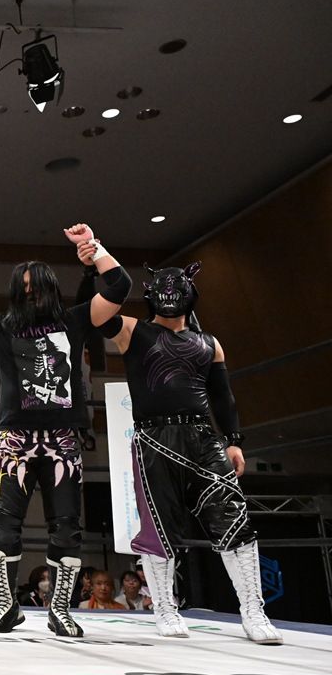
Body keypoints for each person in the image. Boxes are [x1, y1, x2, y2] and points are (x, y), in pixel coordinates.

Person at [0, 224, 131, 637]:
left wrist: (94, 249)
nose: (31, 294)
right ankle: (6, 606)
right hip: (14, 439)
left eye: (36, 287)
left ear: (51, 289)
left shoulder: (75, 319)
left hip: (62, 439)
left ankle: (60, 610)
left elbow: (120, 286)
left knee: (67, 526)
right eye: (24, 289)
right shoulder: (0, 326)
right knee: (2, 524)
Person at [102, 261, 282, 644]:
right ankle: (165, 608)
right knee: (159, 526)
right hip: (155, 439)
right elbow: (99, 317)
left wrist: (233, 439)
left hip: (202, 438)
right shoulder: (134, 331)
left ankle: (254, 611)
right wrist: (96, 266)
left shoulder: (209, 343)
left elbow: (222, 395)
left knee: (233, 518)